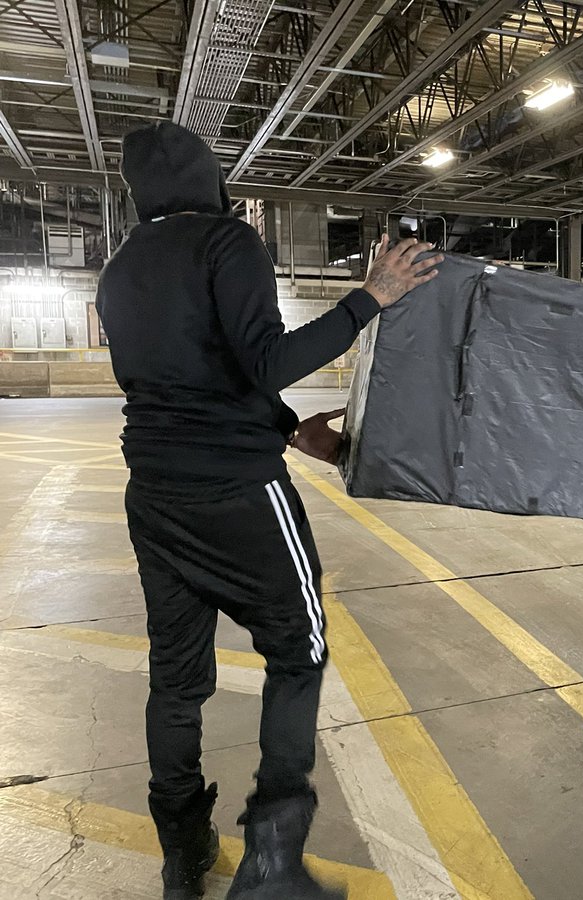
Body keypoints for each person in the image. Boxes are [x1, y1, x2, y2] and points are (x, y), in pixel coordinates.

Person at [96, 121, 442, 899]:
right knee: (299, 650)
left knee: (176, 678)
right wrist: (369, 298)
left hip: (153, 495)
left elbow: (191, 381)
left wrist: (291, 432)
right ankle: (272, 859)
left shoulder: (119, 270)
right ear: (208, 178)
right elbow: (266, 362)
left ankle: (183, 853)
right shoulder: (228, 242)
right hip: (237, 496)